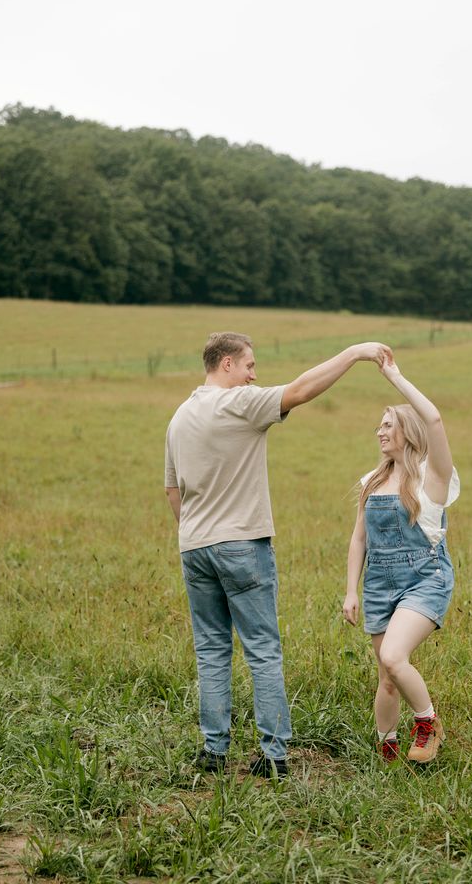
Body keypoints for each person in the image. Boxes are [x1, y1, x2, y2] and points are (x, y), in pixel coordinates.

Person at [164, 331, 390, 779]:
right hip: (242, 544)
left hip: (194, 546)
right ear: (226, 363)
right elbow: (301, 390)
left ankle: (213, 749)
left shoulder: (179, 417)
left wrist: (197, 532)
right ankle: (273, 754)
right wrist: (355, 352)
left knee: (211, 650)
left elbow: (173, 491)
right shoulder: (238, 403)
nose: (254, 374)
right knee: (263, 650)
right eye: (249, 365)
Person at [342, 354, 459, 764]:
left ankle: (428, 723)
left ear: (408, 431)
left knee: (394, 657)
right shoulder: (372, 481)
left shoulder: (432, 478)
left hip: (424, 579)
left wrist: (395, 377)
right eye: (379, 425)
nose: (380, 431)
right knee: (387, 677)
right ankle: (388, 752)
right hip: (378, 584)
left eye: (388, 424)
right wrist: (351, 591)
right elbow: (359, 539)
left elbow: (435, 419)